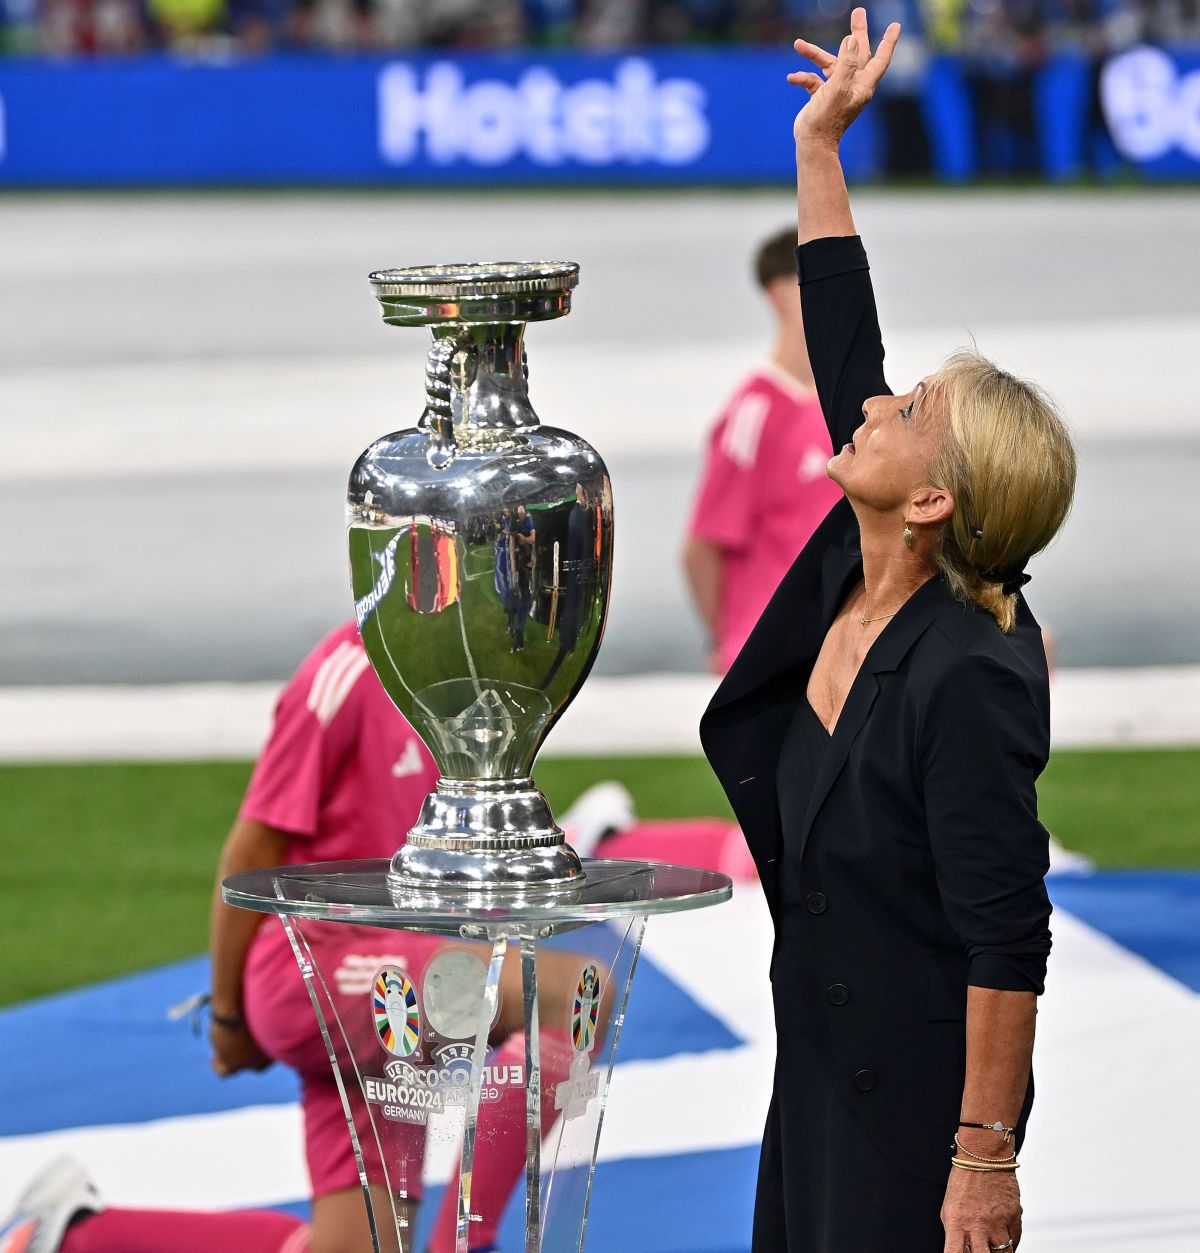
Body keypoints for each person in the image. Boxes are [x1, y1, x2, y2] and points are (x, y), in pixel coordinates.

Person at [700, 10, 1076, 1252]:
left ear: (931, 501)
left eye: (906, 410)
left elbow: (1007, 936)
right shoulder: (852, 571)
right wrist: (819, 150)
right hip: (818, 1064)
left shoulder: (968, 674)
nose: (871, 404)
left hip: (914, 1119)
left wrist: (983, 1160)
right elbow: (844, 340)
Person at [1, 621, 587, 1253]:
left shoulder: (456, 680)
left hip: (387, 982)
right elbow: (253, 849)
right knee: (569, 994)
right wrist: (228, 1016)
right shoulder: (347, 673)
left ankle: (78, 1234)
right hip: (325, 965)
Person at [683, 226, 842, 675]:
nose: (831, 295)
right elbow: (700, 549)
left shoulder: (852, 404)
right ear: (777, 294)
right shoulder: (752, 414)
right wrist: (733, 644)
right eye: (814, 281)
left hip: (838, 650)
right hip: (774, 661)